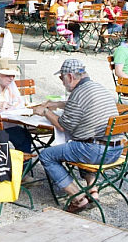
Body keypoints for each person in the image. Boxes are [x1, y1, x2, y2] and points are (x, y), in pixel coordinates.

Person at [33, 58, 120, 213]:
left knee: (47, 155)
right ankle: (93, 191)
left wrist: (46, 111)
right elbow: (80, 105)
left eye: (61, 78)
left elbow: (62, 125)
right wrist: (57, 104)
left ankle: (78, 198)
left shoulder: (78, 93)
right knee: (78, 144)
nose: (62, 82)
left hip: (96, 151)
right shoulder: (97, 87)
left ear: (70, 77)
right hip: (115, 149)